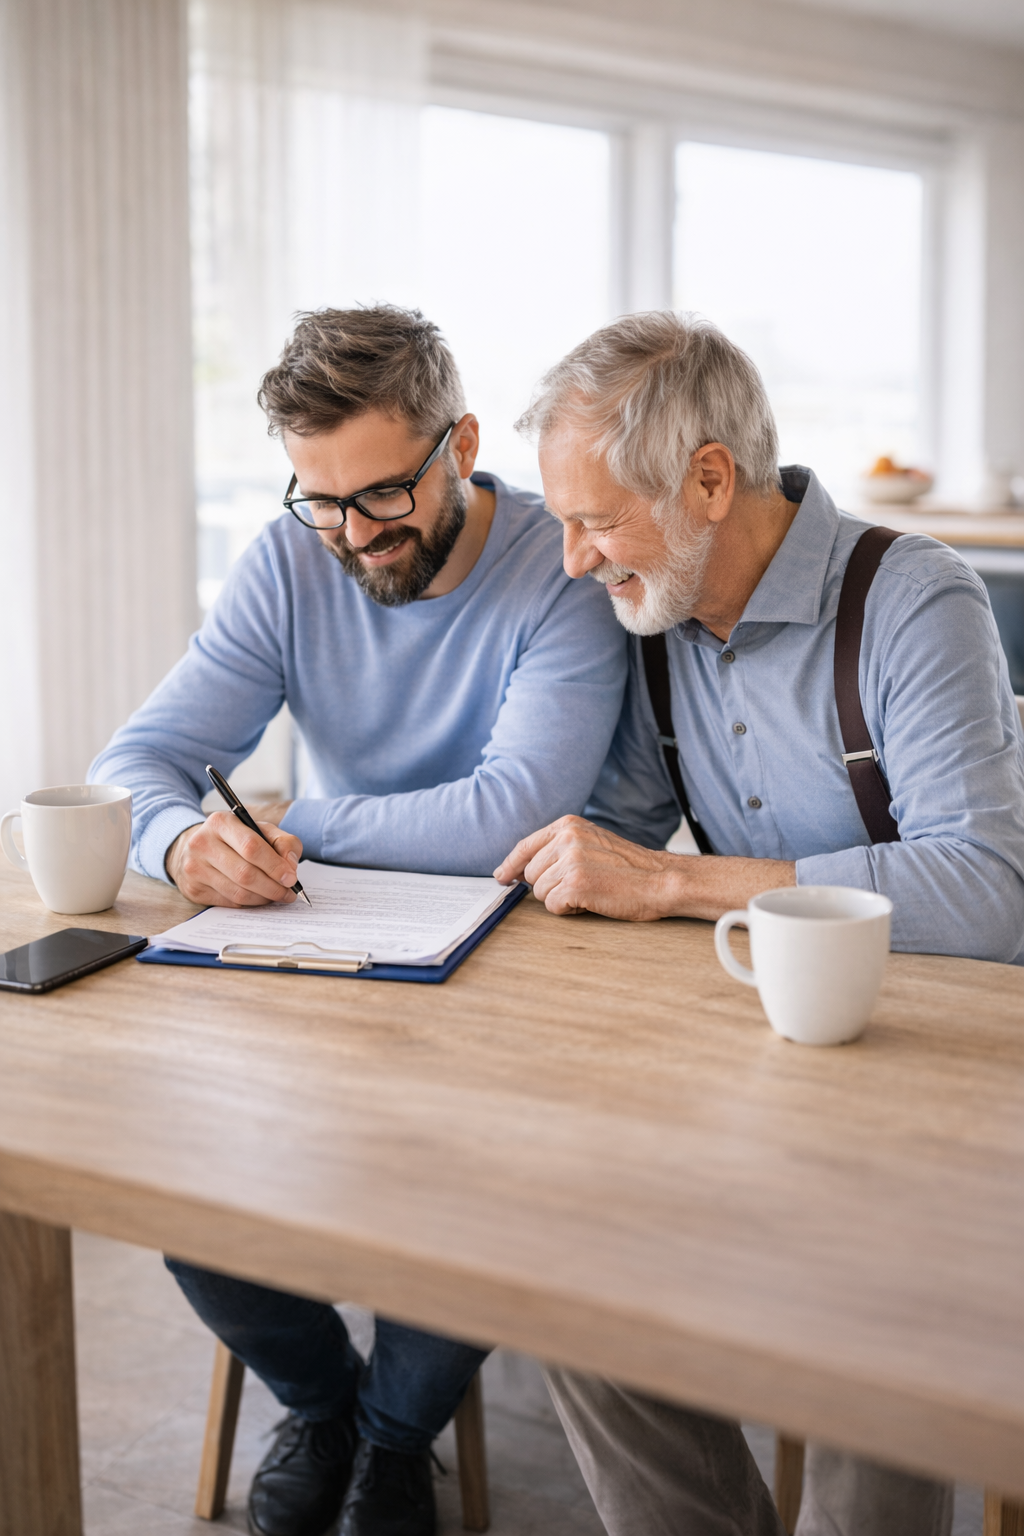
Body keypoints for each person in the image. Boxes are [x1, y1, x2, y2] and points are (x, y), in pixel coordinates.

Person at [90, 305, 627, 1536]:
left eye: (380, 496)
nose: (351, 536)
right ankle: (323, 1401)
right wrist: (181, 840)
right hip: (321, 938)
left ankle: (395, 1438)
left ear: (461, 444)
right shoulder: (293, 561)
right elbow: (141, 757)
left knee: (494, 1183)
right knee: (172, 1166)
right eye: (318, 500)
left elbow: (511, 809)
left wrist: (293, 825)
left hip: (517, 959)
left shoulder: (563, 568)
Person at [494, 310, 1024, 1536]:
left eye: (594, 521)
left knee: (867, 1323)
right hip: (764, 1071)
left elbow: (987, 891)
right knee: (572, 1284)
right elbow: (611, 842)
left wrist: (682, 885)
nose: (574, 562)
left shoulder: (912, 598)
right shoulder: (653, 619)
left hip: (942, 1076)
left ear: (710, 481)